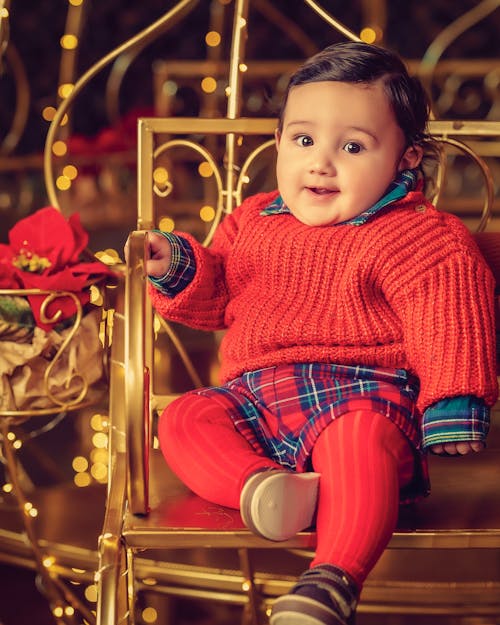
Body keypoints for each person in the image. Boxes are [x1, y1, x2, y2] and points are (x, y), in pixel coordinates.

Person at [140, 42, 498, 625]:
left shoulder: (414, 233)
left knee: (357, 442)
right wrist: (178, 265)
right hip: (255, 397)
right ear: (278, 142)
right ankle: (265, 488)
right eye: (303, 140)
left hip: (363, 394)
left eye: (352, 146)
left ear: (406, 158)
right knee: (183, 419)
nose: (320, 162)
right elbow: (217, 295)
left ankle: (331, 579)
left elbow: (450, 306)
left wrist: (455, 398)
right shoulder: (252, 220)